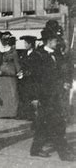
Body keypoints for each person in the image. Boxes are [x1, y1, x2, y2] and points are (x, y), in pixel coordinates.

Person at [29, 27, 75, 161]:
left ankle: (35, 149)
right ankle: (63, 153)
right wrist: (34, 97)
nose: (57, 42)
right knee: (56, 123)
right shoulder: (37, 56)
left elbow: (64, 71)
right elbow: (33, 79)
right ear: (49, 41)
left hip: (57, 94)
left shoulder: (57, 54)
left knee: (45, 123)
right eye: (55, 40)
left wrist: (65, 82)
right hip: (44, 95)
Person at [0, 32, 21, 118]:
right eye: (2, 40)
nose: (3, 42)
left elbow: (17, 63)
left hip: (11, 75)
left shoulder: (13, 51)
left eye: (5, 40)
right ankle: (2, 113)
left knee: (12, 93)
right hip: (1, 76)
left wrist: (19, 72)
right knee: (2, 94)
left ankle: (12, 113)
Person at [17, 35, 39, 121]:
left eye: (26, 43)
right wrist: (21, 72)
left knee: (31, 96)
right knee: (24, 96)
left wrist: (27, 73)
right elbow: (22, 64)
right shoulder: (24, 54)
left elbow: (36, 68)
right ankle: (25, 114)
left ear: (30, 44)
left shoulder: (36, 54)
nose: (25, 45)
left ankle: (32, 115)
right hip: (24, 79)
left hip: (32, 79)